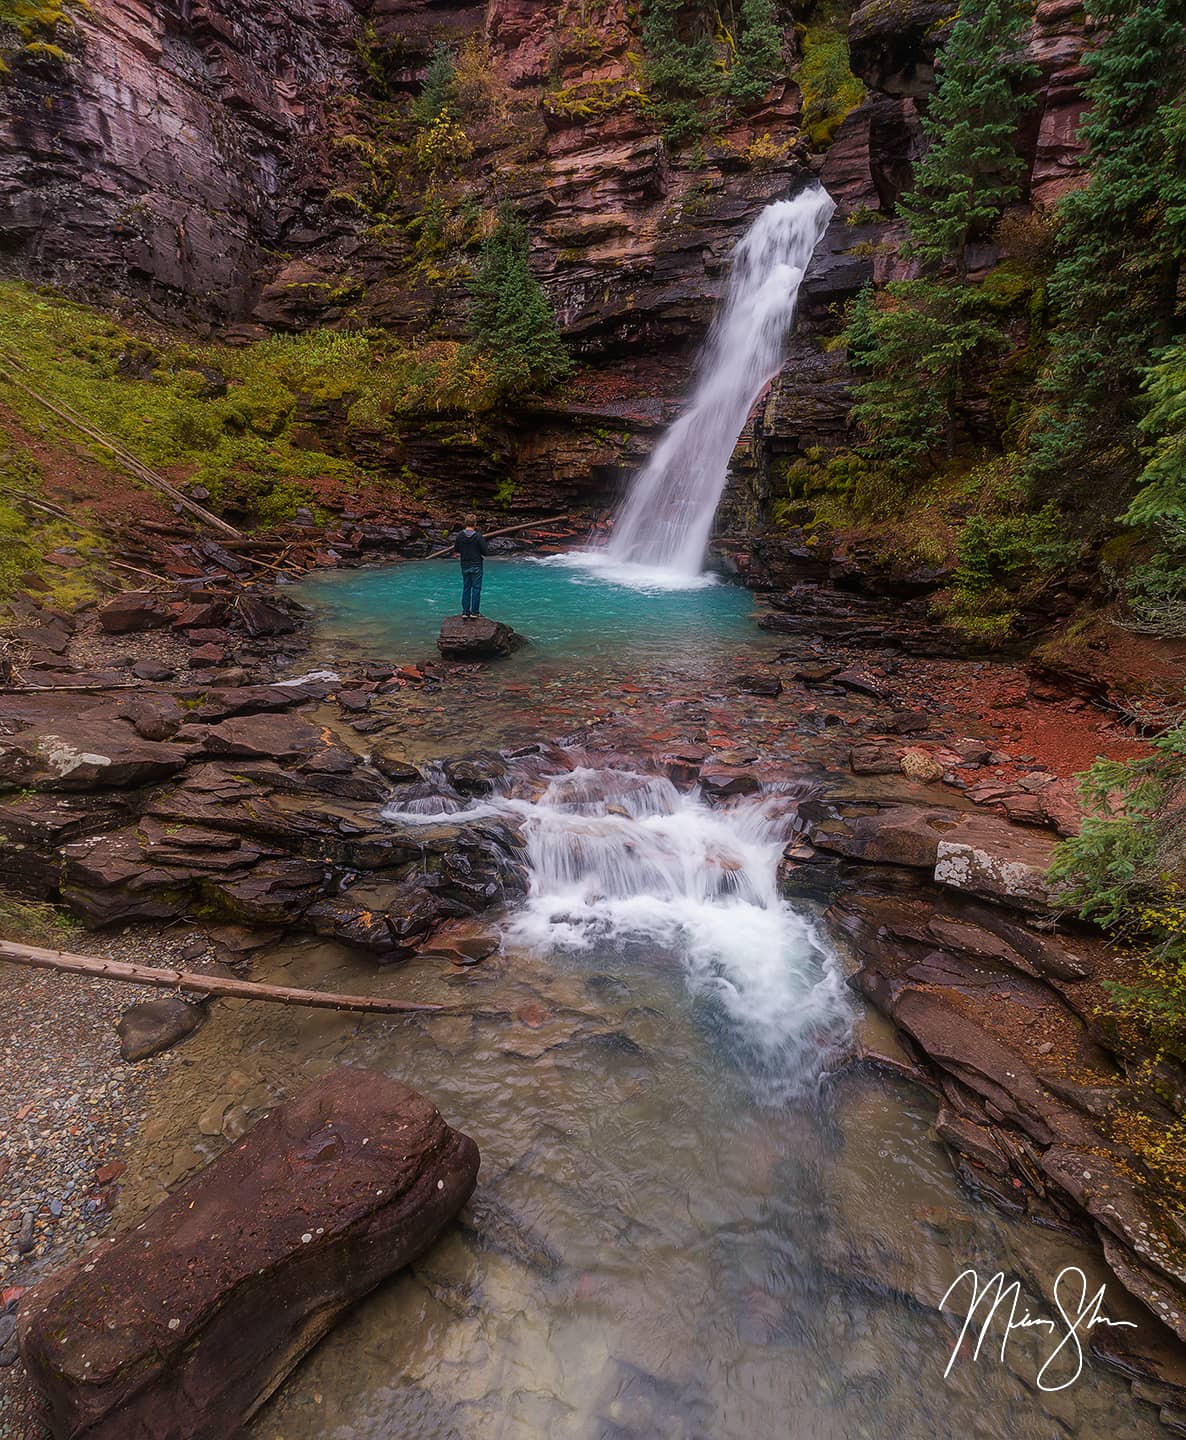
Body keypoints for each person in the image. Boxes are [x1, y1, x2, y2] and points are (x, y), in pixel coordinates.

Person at [452, 513, 489, 619]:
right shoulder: (478, 536)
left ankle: (465, 612)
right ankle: (475, 612)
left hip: (464, 565)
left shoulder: (459, 535)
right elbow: (485, 552)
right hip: (476, 565)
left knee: (466, 588)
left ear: (465, 523)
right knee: (476, 589)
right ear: (475, 524)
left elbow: (457, 550)